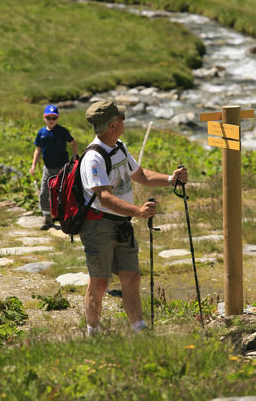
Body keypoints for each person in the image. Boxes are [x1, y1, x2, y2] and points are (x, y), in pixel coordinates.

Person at [80, 100, 188, 335]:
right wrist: (137, 211)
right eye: (121, 118)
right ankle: (93, 332)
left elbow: (141, 175)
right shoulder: (93, 158)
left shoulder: (119, 147)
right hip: (98, 225)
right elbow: (105, 197)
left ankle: (139, 329)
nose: (124, 121)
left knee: (132, 276)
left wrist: (171, 179)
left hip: (122, 223)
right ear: (112, 125)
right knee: (99, 281)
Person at [30, 104, 78, 230]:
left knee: (63, 191)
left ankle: (65, 216)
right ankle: (47, 217)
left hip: (62, 166)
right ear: (44, 117)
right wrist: (33, 165)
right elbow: (38, 149)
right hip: (48, 167)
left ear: (57, 118)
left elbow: (73, 143)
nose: (51, 120)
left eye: (54, 118)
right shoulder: (41, 132)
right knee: (45, 191)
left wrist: (75, 157)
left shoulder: (62, 131)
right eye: (48, 117)